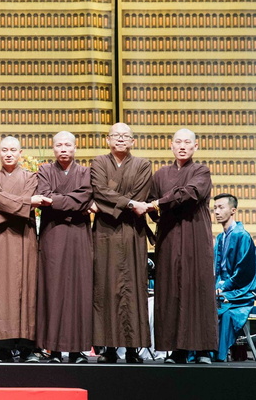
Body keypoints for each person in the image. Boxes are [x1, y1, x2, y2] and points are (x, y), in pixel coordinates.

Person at [150, 128, 218, 364]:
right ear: (171, 145)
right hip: (168, 238)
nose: (182, 146)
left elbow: (191, 193)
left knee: (196, 288)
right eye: (178, 142)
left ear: (195, 147)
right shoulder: (160, 175)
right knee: (170, 290)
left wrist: (160, 203)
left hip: (195, 236)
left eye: (187, 142)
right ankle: (175, 349)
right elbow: (151, 205)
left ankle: (201, 350)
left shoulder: (201, 171)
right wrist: (155, 208)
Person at [0, 136, 49, 363]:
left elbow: (0, 202)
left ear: (20, 153)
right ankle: (1, 348)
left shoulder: (31, 177)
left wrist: (0, 207)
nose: (9, 154)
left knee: (26, 288)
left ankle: (27, 348)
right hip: (1, 237)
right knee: (0, 290)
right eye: (4, 150)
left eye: (13, 150)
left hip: (25, 237)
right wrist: (25, 202)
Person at [90, 123, 152, 364]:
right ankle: (108, 348)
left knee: (133, 287)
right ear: (108, 140)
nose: (121, 140)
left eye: (126, 136)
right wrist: (128, 203)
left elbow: (141, 194)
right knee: (105, 288)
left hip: (132, 233)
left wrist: (122, 199)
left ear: (133, 142)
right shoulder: (98, 163)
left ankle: (133, 348)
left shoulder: (143, 165)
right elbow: (99, 191)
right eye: (116, 136)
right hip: (105, 233)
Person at [36, 131, 95, 364]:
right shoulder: (44, 171)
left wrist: (57, 201)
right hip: (53, 235)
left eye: (67, 145)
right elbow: (43, 196)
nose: (63, 148)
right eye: (59, 145)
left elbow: (86, 196)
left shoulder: (85, 172)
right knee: (53, 289)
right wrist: (73, 202)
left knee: (79, 289)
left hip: (79, 236)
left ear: (75, 148)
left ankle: (77, 350)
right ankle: (54, 350)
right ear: (53, 149)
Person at [212, 193, 256, 362]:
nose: (216, 211)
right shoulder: (220, 237)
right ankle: (199, 353)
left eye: (221, 207)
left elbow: (243, 274)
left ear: (233, 210)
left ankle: (217, 354)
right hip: (222, 288)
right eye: (214, 208)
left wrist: (222, 288)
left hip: (240, 293)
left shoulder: (242, 235)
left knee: (223, 310)